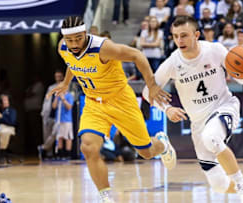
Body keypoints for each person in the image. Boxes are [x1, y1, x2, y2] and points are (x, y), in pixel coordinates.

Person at [47, 16, 176, 203]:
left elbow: (137, 55)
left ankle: (162, 143)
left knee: (146, 152)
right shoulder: (63, 47)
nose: (74, 44)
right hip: (93, 103)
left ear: (85, 33)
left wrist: (152, 85)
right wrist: (66, 83)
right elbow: (72, 63)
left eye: (78, 39)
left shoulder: (103, 48)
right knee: (88, 147)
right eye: (70, 40)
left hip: (120, 100)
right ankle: (105, 195)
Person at [143, 15, 243, 203]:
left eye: (184, 35)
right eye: (175, 36)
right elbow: (147, 91)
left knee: (211, 137)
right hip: (198, 123)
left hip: (224, 107)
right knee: (218, 185)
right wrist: (167, 109)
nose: (179, 41)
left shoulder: (215, 50)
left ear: (196, 35)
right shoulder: (173, 63)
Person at [38, 70, 64, 160]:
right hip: (49, 114)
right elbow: (47, 101)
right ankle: (48, 153)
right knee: (47, 134)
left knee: (56, 133)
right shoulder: (51, 87)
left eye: (59, 76)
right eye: (56, 76)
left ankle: (43, 148)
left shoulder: (66, 86)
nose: (58, 78)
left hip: (61, 115)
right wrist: (44, 112)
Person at [51, 90, 74, 160]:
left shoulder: (69, 95)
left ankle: (68, 154)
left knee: (68, 137)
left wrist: (63, 99)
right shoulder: (57, 95)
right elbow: (54, 106)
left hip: (67, 120)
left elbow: (69, 107)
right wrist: (56, 97)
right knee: (59, 137)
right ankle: (60, 154)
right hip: (58, 120)